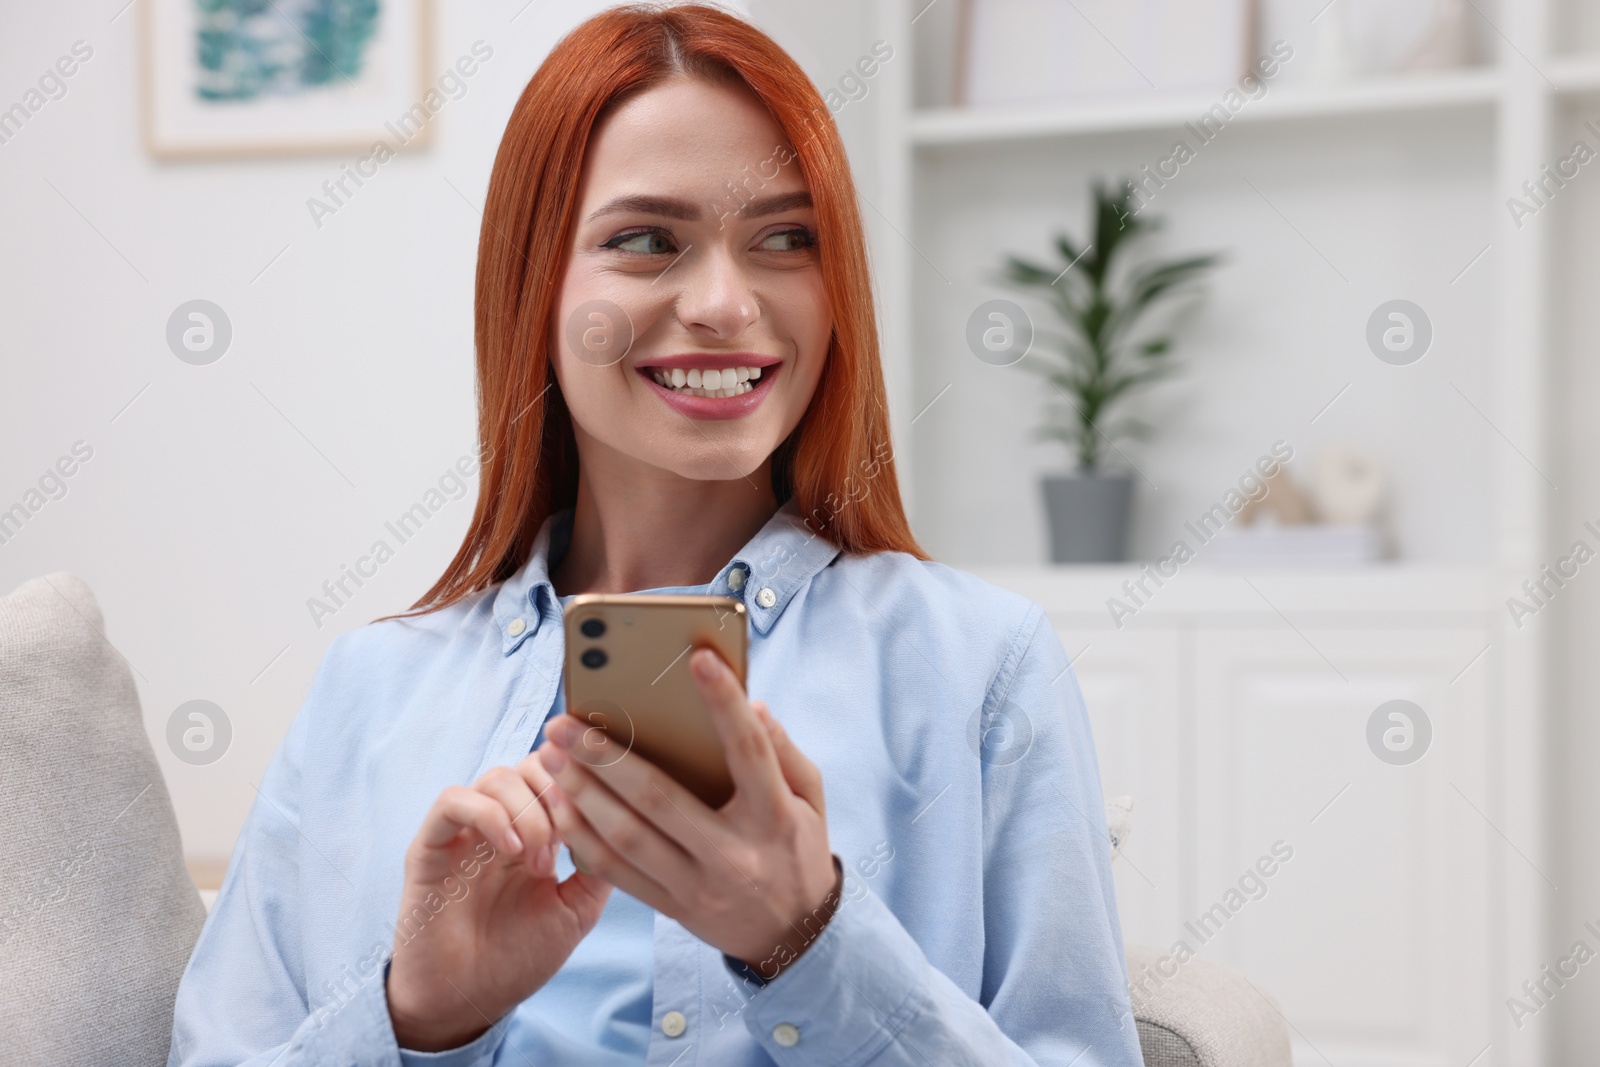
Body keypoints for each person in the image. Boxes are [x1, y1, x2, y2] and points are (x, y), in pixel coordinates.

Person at [167, 5, 1141, 1065]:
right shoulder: (369, 690)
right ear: (534, 283)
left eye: (784, 236)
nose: (726, 303)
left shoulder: (979, 666)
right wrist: (414, 1019)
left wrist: (811, 939)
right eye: (646, 240)